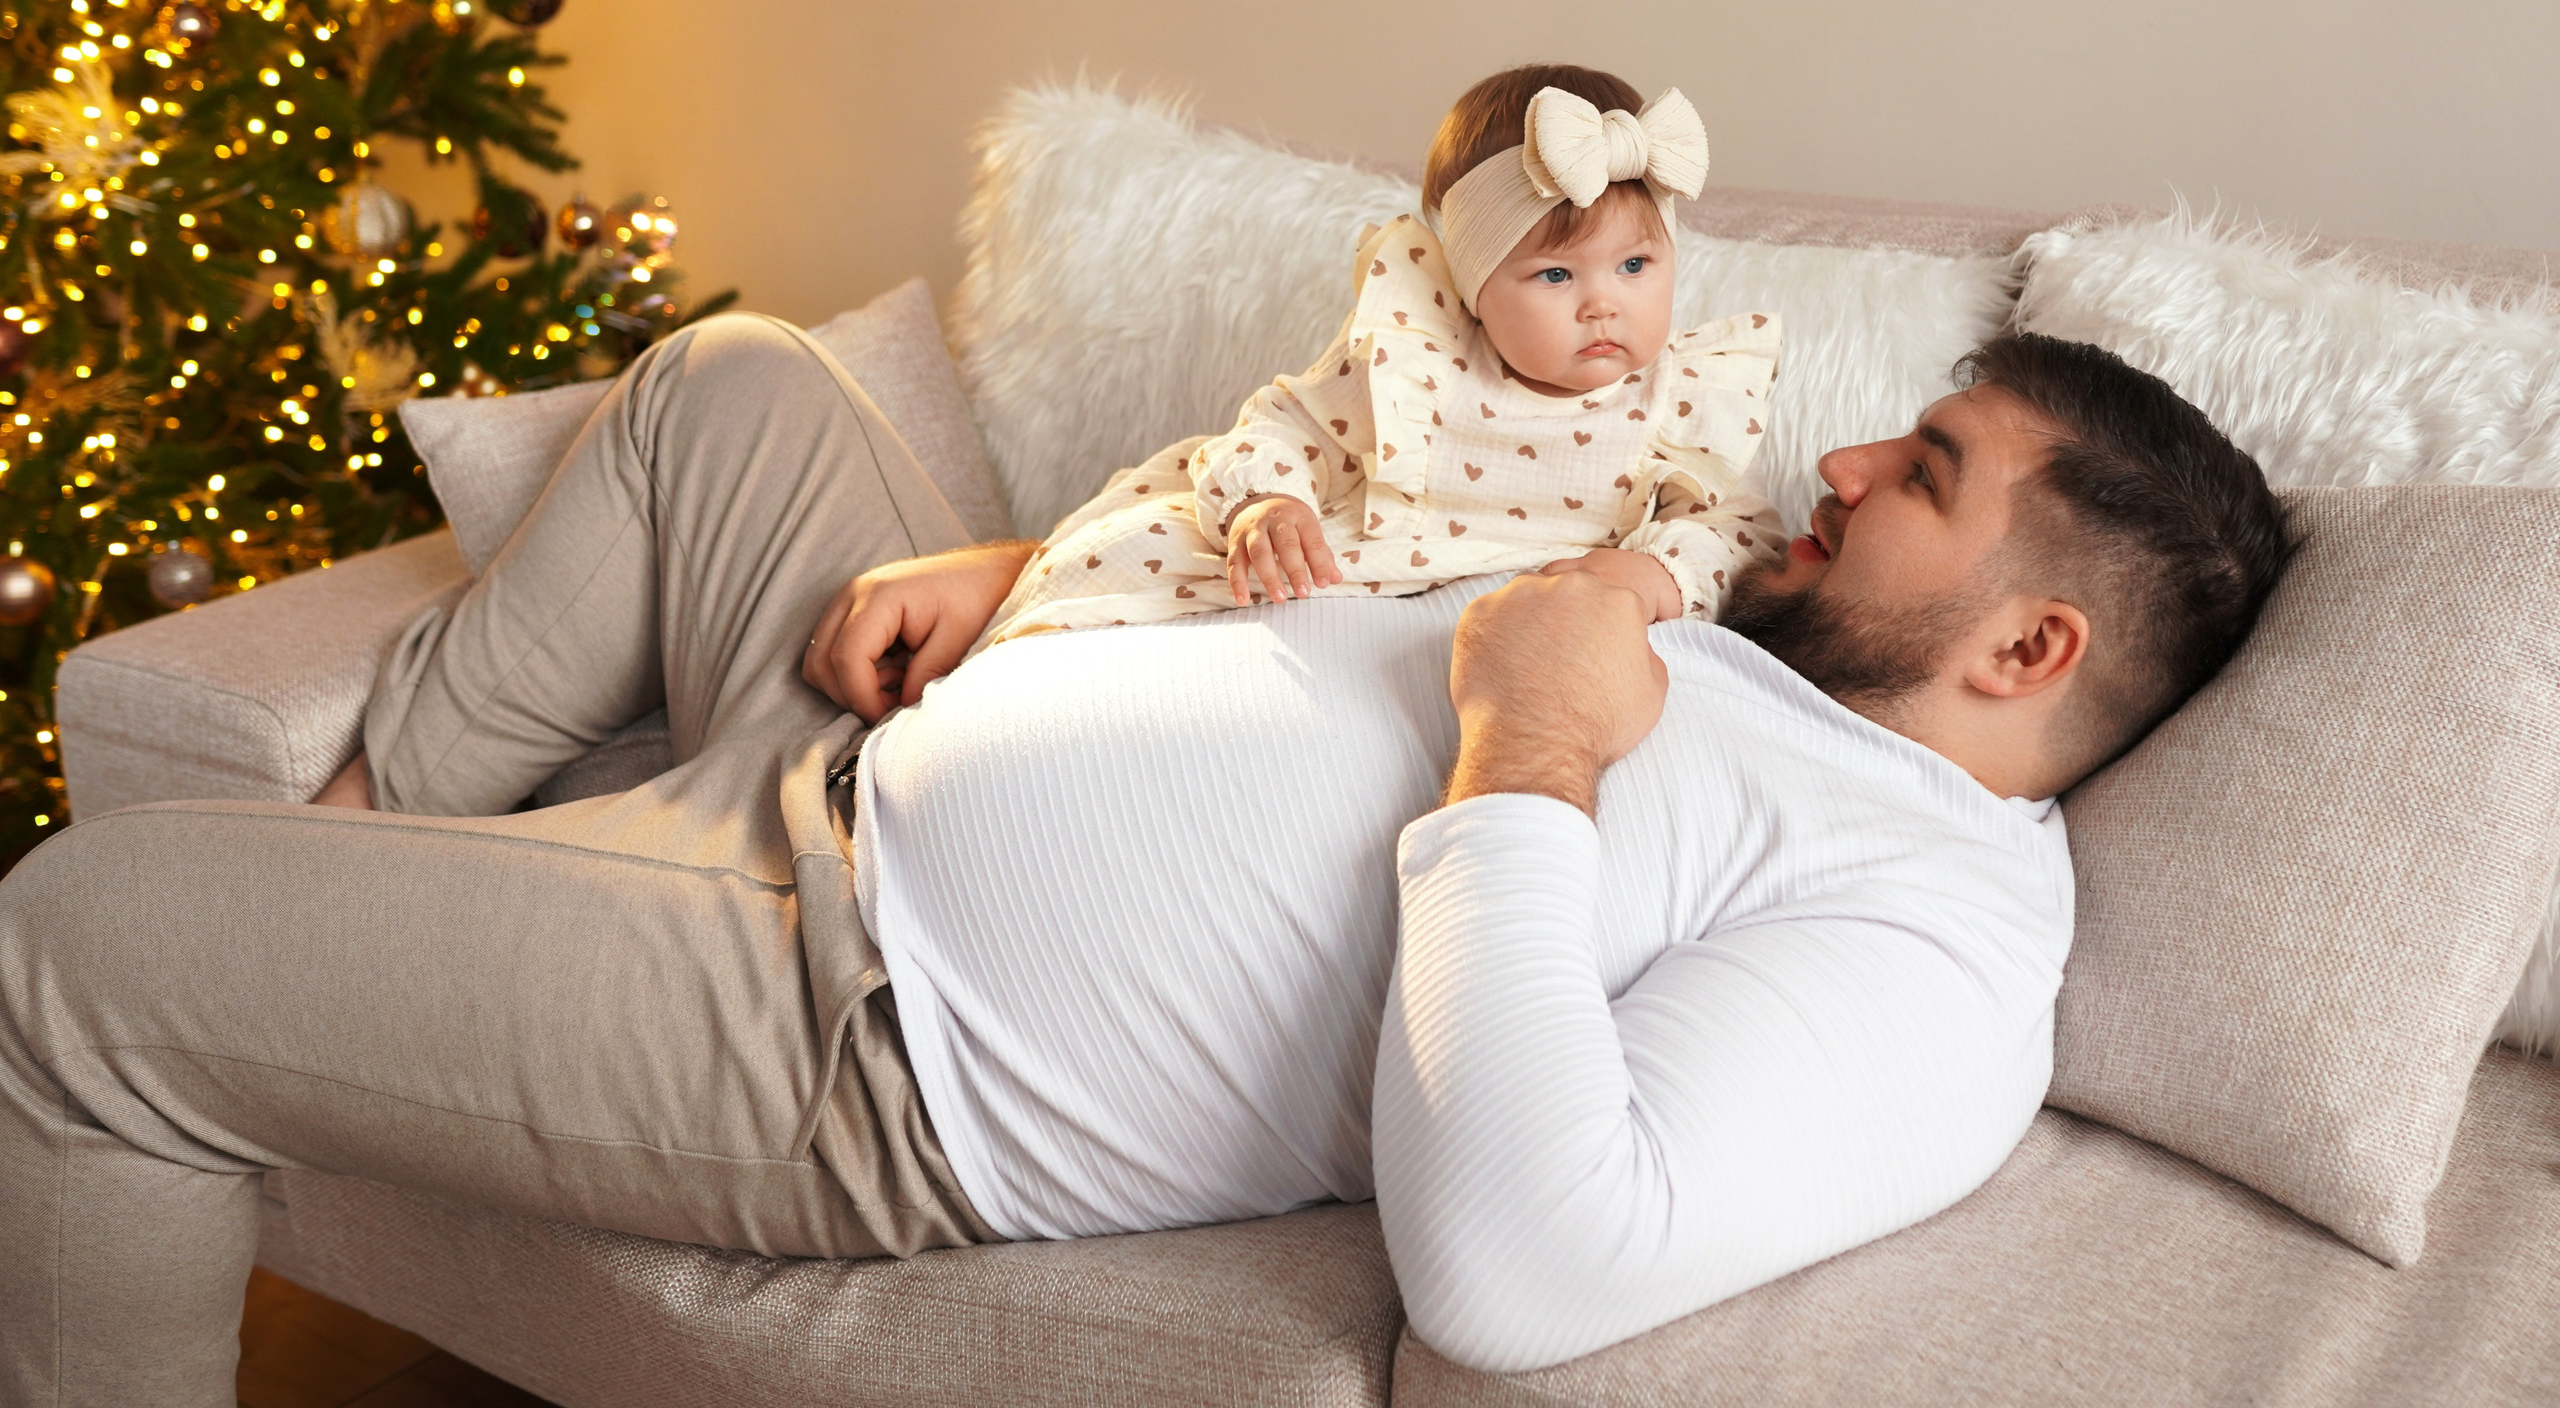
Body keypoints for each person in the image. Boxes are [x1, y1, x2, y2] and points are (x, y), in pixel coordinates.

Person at [0, 307, 2288, 1402]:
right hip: (867, 737)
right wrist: (1037, 568)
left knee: (78, 941)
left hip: (853, 1024)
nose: (1848, 453)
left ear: (2030, 638)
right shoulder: (1751, 626)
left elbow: (1520, 1259)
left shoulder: (1938, 938)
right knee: (735, 380)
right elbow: (1328, 583)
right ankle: (380, 847)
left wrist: (1526, 756)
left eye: (1929, 465)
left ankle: (271, 957)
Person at [983, 64, 1787, 646]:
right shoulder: (1422, 354)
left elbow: (1744, 533)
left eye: (1636, 266)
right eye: (1554, 274)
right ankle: (1001, 648)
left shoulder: (1676, 399)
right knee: (1134, 555)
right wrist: (1269, 503)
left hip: (1516, 628)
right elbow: (1289, 423)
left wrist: (1659, 575)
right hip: (1358, 560)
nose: (1604, 301)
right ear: (1474, 285)